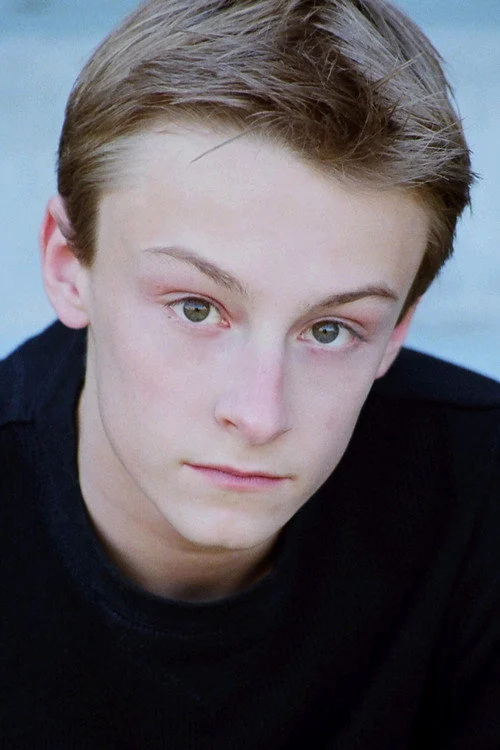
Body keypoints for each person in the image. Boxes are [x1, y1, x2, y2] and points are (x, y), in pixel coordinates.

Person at [1, 0, 499, 746]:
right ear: (68, 266)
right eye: (196, 308)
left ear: (398, 329)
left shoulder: (481, 494)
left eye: (330, 330)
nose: (260, 415)